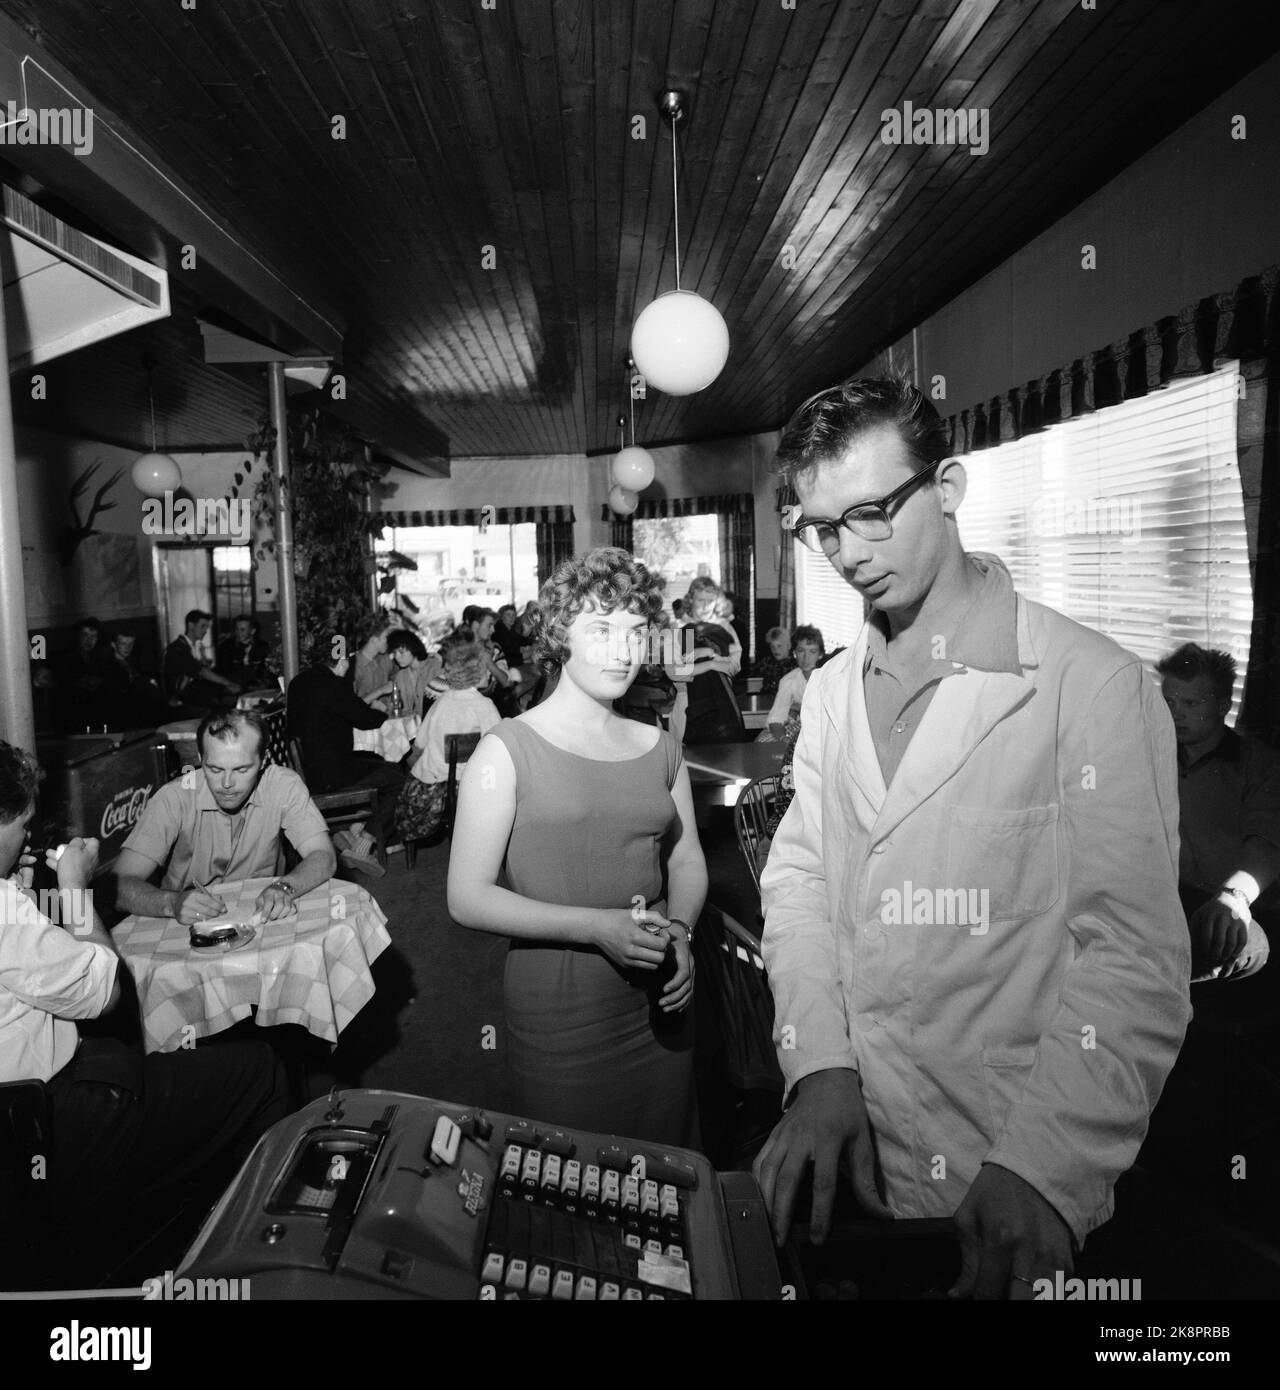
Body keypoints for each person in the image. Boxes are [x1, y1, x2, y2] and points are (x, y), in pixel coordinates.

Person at [753, 376, 1190, 1298]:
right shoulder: (832, 693)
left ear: (947, 488)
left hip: (1009, 1169)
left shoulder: (1092, 686)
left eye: (874, 512)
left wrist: (1044, 1167)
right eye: (824, 527)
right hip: (858, 1156)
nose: (850, 553)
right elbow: (798, 883)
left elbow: (1135, 959)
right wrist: (820, 1064)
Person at [0, 739, 290, 1285]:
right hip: (45, 1127)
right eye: (20, 827)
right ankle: (249, 1262)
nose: (26, 840)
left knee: (140, 1050)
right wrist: (72, 888)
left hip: (21, 1123)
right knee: (261, 1069)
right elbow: (107, 989)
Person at [448, 547, 707, 1147]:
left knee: (666, 1173)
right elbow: (465, 898)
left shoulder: (660, 743)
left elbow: (688, 856)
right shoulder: (506, 748)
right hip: (561, 1007)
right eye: (601, 629)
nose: (623, 650)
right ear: (560, 635)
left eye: (636, 631)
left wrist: (684, 931)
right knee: (570, 1182)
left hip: (661, 994)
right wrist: (597, 927)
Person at [115, 709, 337, 922]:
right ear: (201, 758)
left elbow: (323, 856)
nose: (227, 784)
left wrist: (285, 887)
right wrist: (171, 903)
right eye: (215, 769)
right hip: (183, 924)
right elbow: (119, 886)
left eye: (241, 770)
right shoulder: (174, 797)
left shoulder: (283, 784)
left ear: (263, 760)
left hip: (260, 917)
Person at [1157, 642, 1278, 982]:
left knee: (1229, 941)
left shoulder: (1258, 763)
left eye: (1191, 703)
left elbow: (1267, 842)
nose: (1176, 713)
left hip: (1237, 905)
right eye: (1169, 701)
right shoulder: (1150, 755)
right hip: (1167, 899)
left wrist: (1234, 897)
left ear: (1223, 705)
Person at [286, 637, 407, 870]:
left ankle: (353, 831)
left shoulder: (298, 682)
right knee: (400, 780)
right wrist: (385, 715)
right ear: (341, 660)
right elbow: (365, 720)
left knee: (382, 764)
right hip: (332, 772)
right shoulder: (333, 684)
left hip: (309, 770)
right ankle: (364, 843)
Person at [396, 634, 501, 845]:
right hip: (472, 793)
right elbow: (498, 749)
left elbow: (418, 748)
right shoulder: (485, 706)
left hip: (430, 794)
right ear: (479, 672)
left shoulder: (440, 703)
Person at [163, 609, 239, 713]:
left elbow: (203, 669)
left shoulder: (197, 646)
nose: (205, 631)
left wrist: (204, 659)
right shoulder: (177, 648)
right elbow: (200, 671)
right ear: (191, 625)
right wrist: (227, 683)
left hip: (196, 689)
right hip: (181, 694)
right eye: (202, 626)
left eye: (207, 627)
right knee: (222, 700)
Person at [97, 628, 166, 730]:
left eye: (131, 644)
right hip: (121, 714)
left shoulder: (132, 661)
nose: (127, 648)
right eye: (123, 643)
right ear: (113, 645)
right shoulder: (107, 666)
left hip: (138, 710)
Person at [765, 626, 824, 741]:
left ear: (820, 654)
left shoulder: (829, 679)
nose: (806, 657)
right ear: (794, 653)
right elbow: (776, 719)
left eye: (812, 651)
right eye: (801, 651)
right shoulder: (789, 681)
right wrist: (783, 738)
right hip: (800, 733)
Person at [55, 616, 105, 729]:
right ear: (77, 637)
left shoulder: (99, 657)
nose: (89, 640)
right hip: (74, 713)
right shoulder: (66, 658)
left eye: (93, 636)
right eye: (85, 635)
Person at [386, 629, 437, 719]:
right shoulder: (401, 675)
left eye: (401, 652)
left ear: (413, 648)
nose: (397, 657)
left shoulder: (434, 669)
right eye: (394, 652)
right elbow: (396, 707)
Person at [216, 614, 271, 691]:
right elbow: (224, 671)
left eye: (242, 629)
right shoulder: (225, 647)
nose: (238, 632)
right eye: (236, 629)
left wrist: (264, 683)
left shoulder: (262, 646)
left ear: (252, 631)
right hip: (233, 687)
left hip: (257, 687)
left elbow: (266, 670)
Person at [352, 613, 397, 701]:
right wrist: (380, 691)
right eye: (386, 637)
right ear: (374, 640)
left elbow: (396, 677)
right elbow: (350, 705)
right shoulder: (354, 667)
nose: (389, 640)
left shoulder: (385, 659)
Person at [756, 626, 796, 699]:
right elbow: (754, 684)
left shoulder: (795, 665)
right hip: (765, 701)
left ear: (788, 646)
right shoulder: (765, 663)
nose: (775, 650)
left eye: (779, 646)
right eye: (772, 646)